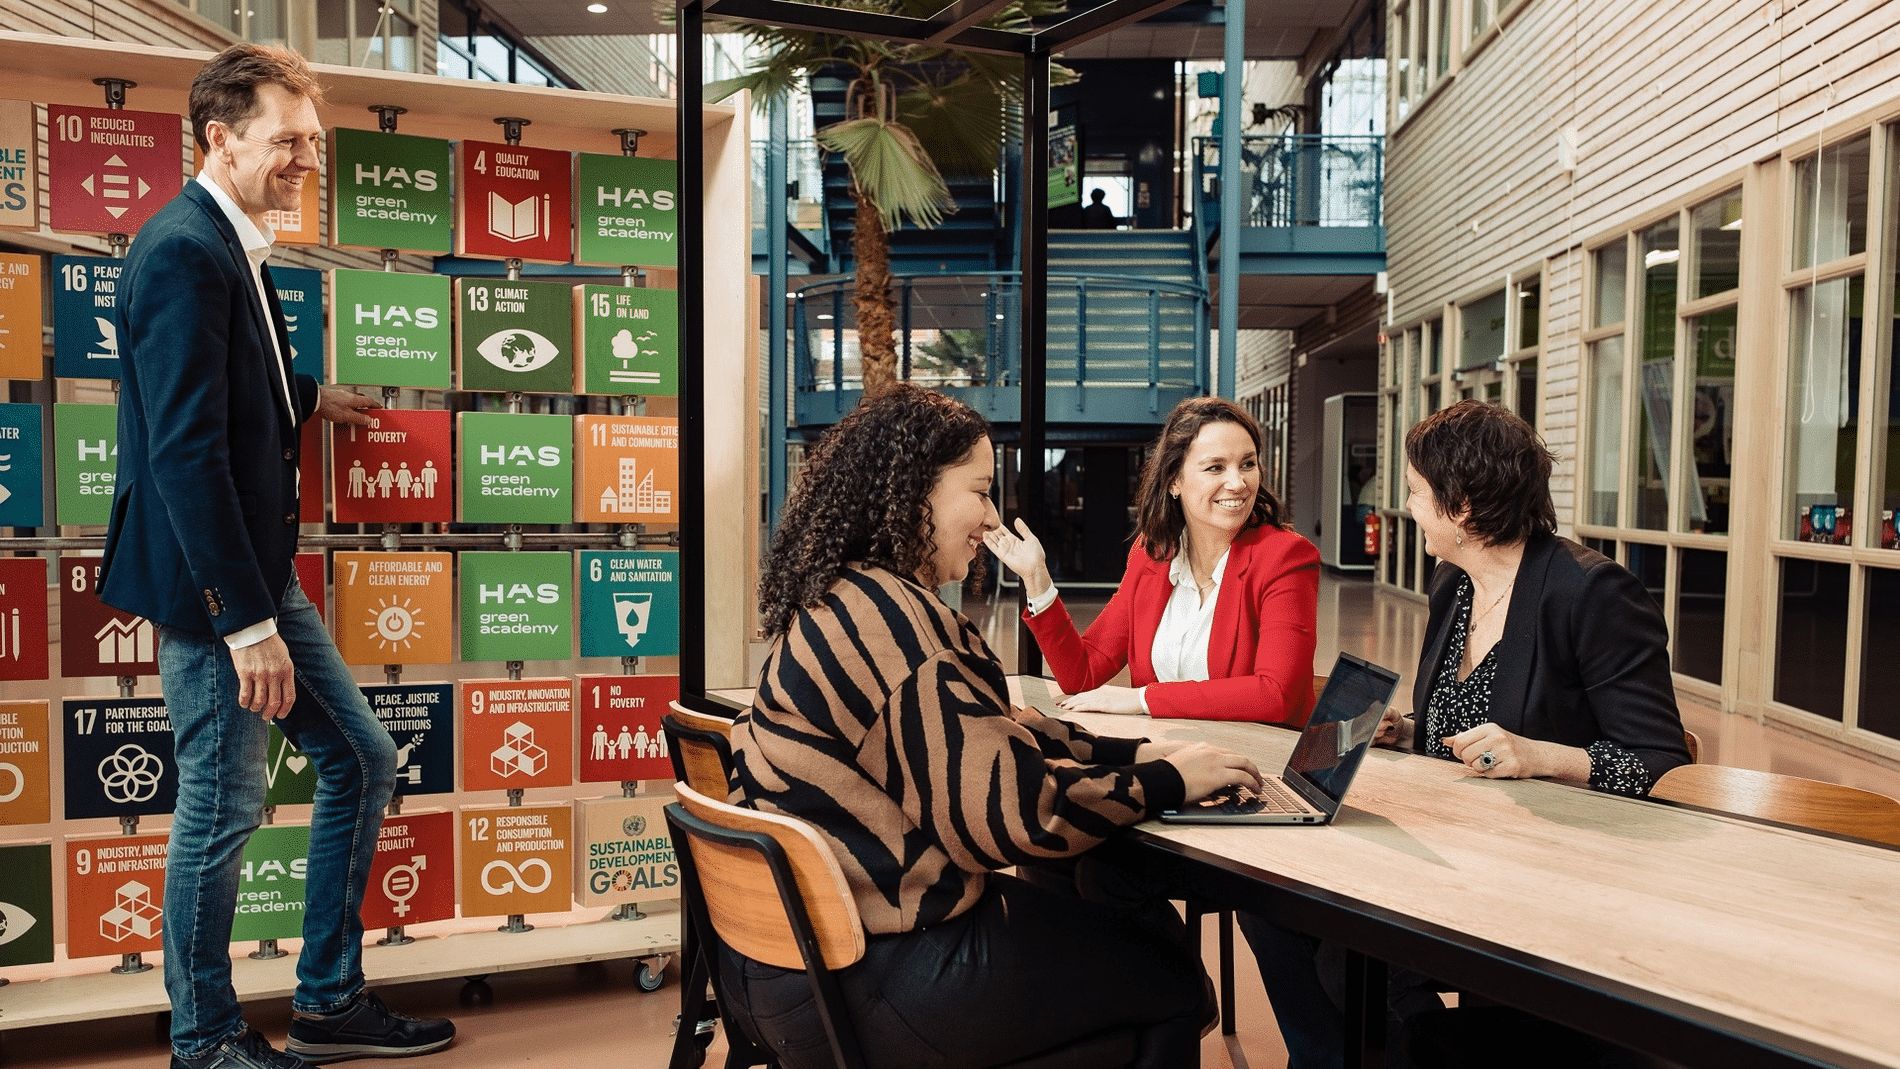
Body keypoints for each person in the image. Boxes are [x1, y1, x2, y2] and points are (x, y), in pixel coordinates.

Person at [726, 385, 1264, 1069]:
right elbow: (1015, 815)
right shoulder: (904, 629)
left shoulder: (845, 601)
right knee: (1168, 971)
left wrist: (1143, 752)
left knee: (1102, 929)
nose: (989, 517)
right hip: (873, 980)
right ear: (914, 490)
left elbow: (1002, 730)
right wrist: (1163, 780)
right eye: (979, 492)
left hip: (787, 969)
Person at [98, 44, 455, 1069]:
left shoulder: (232, 240)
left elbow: (222, 388)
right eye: (288, 140)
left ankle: (330, 1001)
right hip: (220, 587)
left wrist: (307, 398)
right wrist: (242, 620)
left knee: (359, 756)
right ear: (221, 135)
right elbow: (182, 449)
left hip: (255, 569)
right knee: (223, 802)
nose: (308, 159)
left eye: (313, 140)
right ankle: (205, 1038)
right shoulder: (182, 248)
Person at [1245, 401, 1692, 1069]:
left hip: (1548, 862)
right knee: (1271, 904)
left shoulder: (1591, 593)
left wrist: (1544, 757)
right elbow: (1471, 716)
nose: (1408, 508)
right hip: (1452, 842)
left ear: (1460, 508)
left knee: (1352, 957)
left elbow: (1662, 761)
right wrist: (1408, 731)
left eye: (1417, 494)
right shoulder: (1454, 584)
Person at [986, 396, 1320, 722]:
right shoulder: (1154, 553)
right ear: (1175, 480)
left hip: (1260, 762)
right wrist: (1037, 579)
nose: (1238, 482)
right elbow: (1083, 672)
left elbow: (1277, 695)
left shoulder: (1285, 557)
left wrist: (1142, 699)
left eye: (1247, 464)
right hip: (1174, 756)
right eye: (1215, 467)